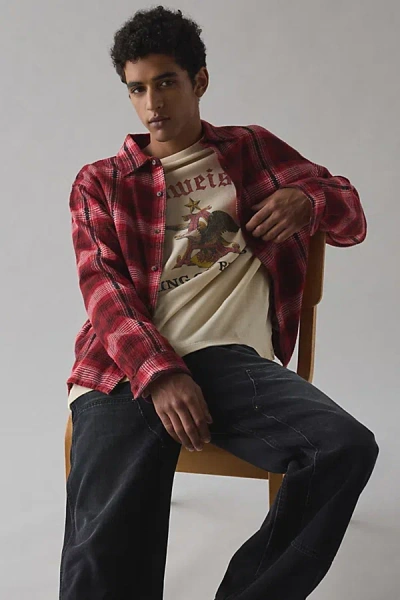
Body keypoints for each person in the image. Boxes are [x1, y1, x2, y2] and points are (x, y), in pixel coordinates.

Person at [59, 6, 379, 600]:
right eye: (137, 89)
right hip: (125, 367)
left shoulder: (251, 150)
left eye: (166, 82)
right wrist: (160, 374)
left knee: (344, 447)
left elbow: (351, 217)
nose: (152, 104)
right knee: (105, 557)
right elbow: (104, 289)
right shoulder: (101, 181)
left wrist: (308, 200)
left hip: (230, 361)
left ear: (199, 81)